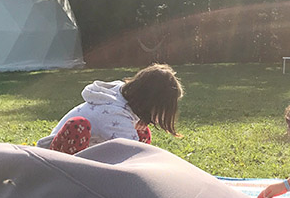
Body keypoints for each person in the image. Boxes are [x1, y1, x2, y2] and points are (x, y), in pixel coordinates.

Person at [38, 63, 183, 154]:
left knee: (142, 133)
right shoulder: (114, 114)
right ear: (150, 102)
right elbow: (135, 156)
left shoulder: (122, 93)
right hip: (53, 158)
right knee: (79, 126)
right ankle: (69, 178)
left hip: (88, 148)